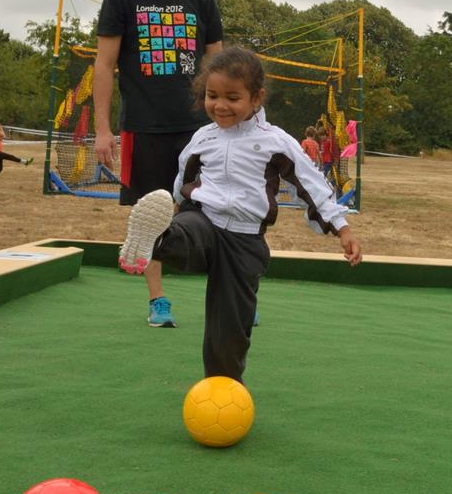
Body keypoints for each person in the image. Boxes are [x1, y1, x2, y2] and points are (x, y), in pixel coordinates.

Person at [117, 47, 362, 384]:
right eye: (212, 95)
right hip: (203, 219)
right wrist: (173, 205)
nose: (219, 105)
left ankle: (223, 386)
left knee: (230, 326)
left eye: (232, 97)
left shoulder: (275, 141)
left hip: (244, 240)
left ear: (256, 98)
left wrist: (341, 227)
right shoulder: (202, 138)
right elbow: (184, 178)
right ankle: (157, 237)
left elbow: (309, 182)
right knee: (185, 231)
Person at [94, 0, 223, 328]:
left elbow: (218, 66)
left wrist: (227, 123)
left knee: (216, 211)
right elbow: (104, 63)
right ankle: (158, 301)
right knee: (149, 217)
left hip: (199, 130)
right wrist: (102, 129)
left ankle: (227, 299)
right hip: (143, 128)